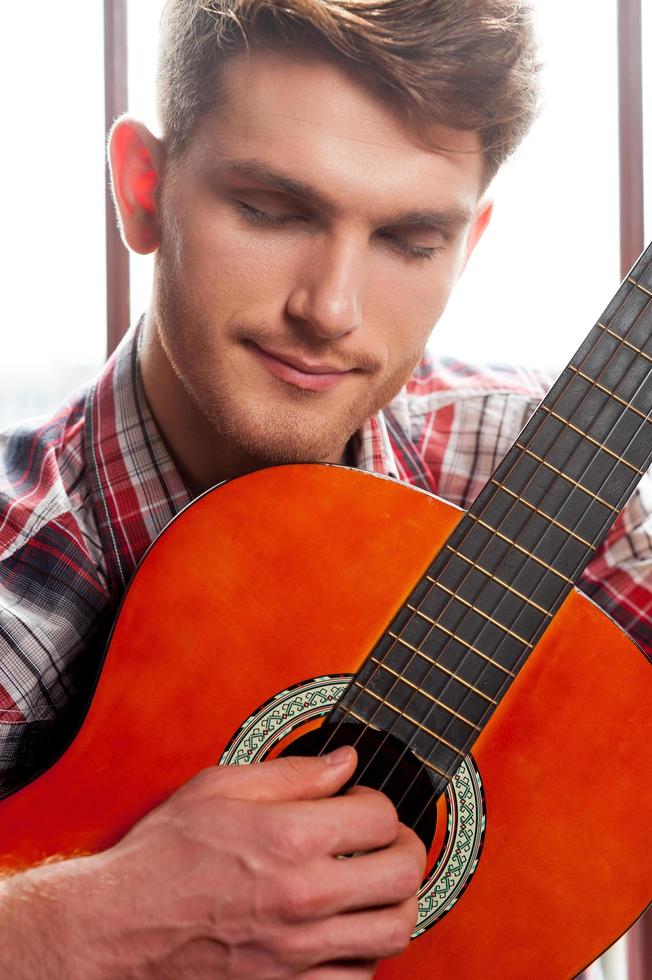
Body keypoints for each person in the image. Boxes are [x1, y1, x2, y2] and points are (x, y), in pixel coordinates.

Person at [0, 0, 649, 976]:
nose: (329, 309)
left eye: (408, 239)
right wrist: (94, 920)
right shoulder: (16, 568)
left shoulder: (536, 469)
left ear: (467, 243)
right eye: (270, 208)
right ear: (142, 187)